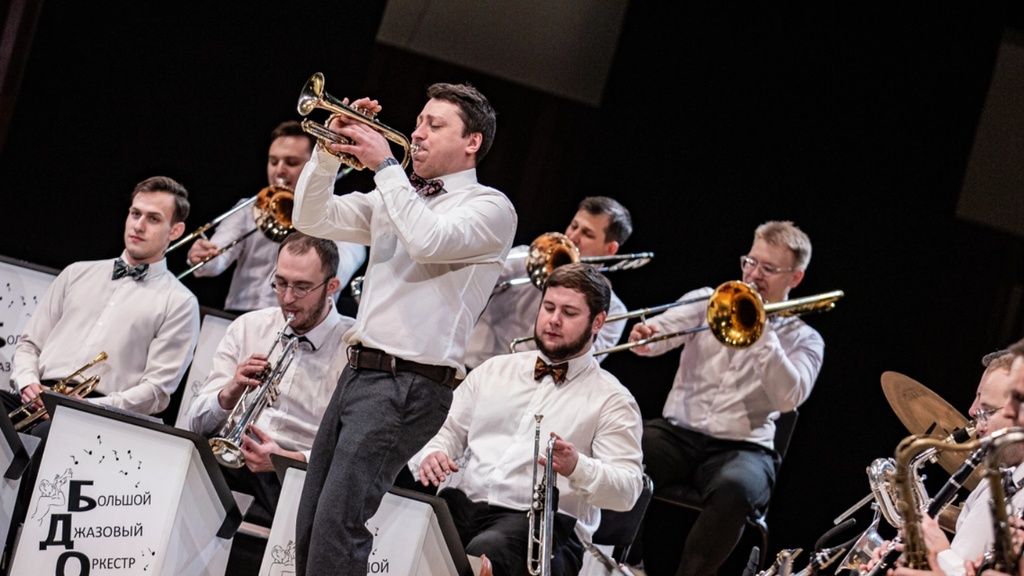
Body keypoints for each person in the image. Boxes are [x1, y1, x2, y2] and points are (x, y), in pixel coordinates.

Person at [289, 82, 517, 576]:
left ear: (472, 142)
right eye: (417, 123)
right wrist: (329, 153)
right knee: (311, 520)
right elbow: (310, 216)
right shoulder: (396, 196)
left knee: (338, 525)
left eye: (434, 125)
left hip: (408, 383)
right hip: (358, 374)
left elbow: (427, 241)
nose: (417, 134)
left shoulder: (490, 207)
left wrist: (385, 165)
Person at [411, 262, 643, 576]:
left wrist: (578, 467)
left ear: (598, 322)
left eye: (569, 313)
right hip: (464, 506)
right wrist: (434, 452)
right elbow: (448, 430)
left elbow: (627, 491)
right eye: (549, 307)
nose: (554, 320)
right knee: (407, 531)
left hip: (546, 529)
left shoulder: (612, 399)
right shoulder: (495, 369)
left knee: (487, 552)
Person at [629, 220, 822, 576]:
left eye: (768, 269)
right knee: (624, 446)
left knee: (737, 489)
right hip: (677, 434)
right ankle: (624, 560)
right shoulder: (710, 299)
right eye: (751, 262)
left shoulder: (805, 339)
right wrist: (649, 335)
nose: (754, 274)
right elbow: (664, 330)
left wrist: (761, 330)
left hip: (743, 449)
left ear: (795, 278)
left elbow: (789, 398)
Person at [184, 232, 354, 525]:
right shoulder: (248, 327)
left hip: (301, 482)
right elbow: (197, 424)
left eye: (302, 287)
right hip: (230, 464)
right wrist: (230, 393)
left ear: (332, 287)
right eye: (281, 283)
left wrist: (285, 459)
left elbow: (351, 451)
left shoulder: (353, 348)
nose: (287, 298)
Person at [8, 175, 200, 420]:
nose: (139, 226)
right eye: (135, 214)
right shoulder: (76, 273)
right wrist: (28, 383)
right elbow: (29, 345)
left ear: (175, 230)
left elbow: (156, 391)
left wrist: (90, 406)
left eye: (153, 219)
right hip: (35, 396)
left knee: (52, 434)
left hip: (98, 415)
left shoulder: (180, 302)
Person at [859, 350, 1024, 576]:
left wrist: (941, 554)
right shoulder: (991, 484)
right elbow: (961, 565)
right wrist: (914, 562)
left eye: (987, 411)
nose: (975, 418)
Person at [186, 120, 366, 314]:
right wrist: (203, 256)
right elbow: (215, 263)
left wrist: (308, 222)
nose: (279, 170)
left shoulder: (340, 213)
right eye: (273, 162)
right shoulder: (247, 208)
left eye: (291, 163)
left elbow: (339, 273)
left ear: (313, 165)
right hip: (240, 315)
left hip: (300, 321)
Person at [464, 196, 633, 370]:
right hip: (471, 366)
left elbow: (580, 362)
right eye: (574, 226)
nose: (573, 237)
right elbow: (471, 283)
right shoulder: (526, 258)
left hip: (527, 382)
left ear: (610, 249)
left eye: (587, 234)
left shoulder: (613, 310)